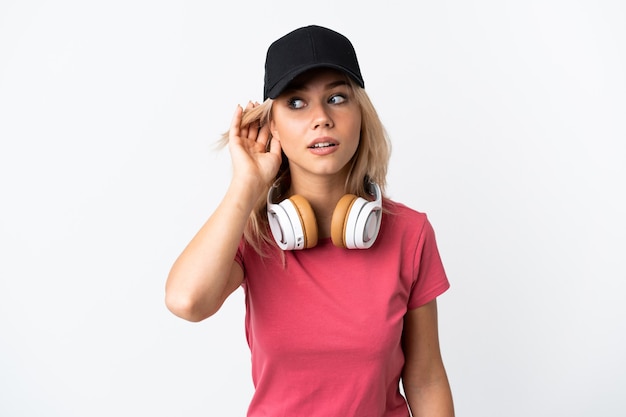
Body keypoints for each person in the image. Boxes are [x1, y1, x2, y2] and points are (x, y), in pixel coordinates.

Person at [166, 25, 454, 417]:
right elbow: (186, 301)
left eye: (337, 98)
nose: (321, 118)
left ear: (360, 115)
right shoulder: (251, 234)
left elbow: (426, 379)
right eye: (297, 103)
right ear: (272, 126)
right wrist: (245, 184)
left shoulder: (410, 233)